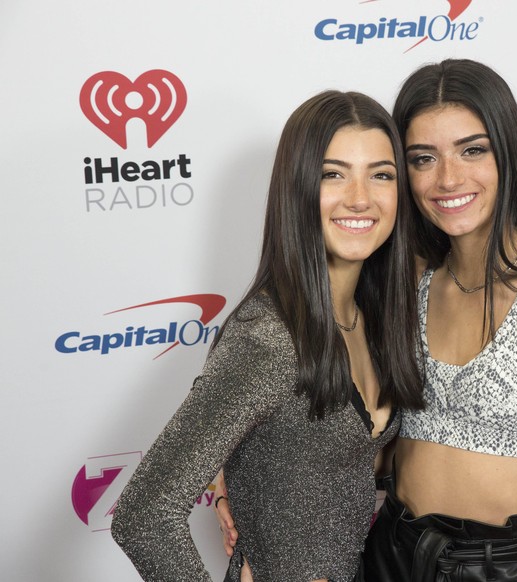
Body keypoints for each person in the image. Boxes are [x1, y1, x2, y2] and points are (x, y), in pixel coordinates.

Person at [217, 59, 517, 581]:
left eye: (473, 150)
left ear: (508, 154)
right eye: (423, 159)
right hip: (386, 553)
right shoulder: (408, 280)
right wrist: (232, 475)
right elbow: (324, 412)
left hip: (495, 566)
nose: (449, 178)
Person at [111, 90, 424, 582]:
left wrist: (222, 480)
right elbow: (143, 518)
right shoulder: (268, 341)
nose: (360, 197)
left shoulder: (374, 315)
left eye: (381, 174)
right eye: (332, 174)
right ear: (297, 186)